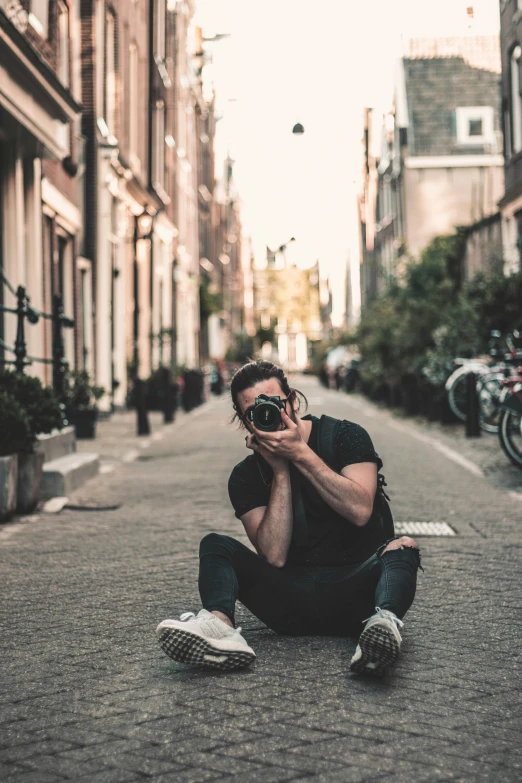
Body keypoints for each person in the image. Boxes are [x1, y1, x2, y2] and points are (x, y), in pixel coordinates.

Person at [156, 360, 420, 676]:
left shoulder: (346, 436)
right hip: (292, 604)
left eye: (274, 403)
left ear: (292, 400)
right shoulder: (245, 476)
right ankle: (220, 629)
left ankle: (381, 628)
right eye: (256, 410)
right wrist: (280, 470)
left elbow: (361, 511)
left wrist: (300, 454)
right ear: (246, 421)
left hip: (360, 596)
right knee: (215, 546)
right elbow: (275, 556)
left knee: (402, 547)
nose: (268, 414)